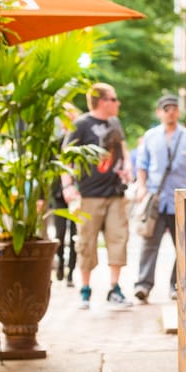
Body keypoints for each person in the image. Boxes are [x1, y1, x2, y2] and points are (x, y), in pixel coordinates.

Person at [61, 83, 133, 309]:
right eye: (114, 99)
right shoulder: (81, 124)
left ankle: (114, 288)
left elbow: (123, 148)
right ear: (102, 101)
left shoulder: (115, 123)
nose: (118, 103)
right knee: (86, 242)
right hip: (89, 193)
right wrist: (67, 186)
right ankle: (85, 289)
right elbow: (66, 157)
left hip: (115, 192)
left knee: (118, 238)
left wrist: (127, 167)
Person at [132, 94, 186, 303]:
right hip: (157, 198)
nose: (171, 112)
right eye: (167, 108)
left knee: (182, 245)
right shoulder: (151, 136)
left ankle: (176, 285)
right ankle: (143, 285)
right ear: (159, 112)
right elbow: (142, 166)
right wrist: (142, 187)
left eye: (174, 108)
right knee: (149, 244)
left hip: (181, 199)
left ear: (178, 112)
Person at [51, 105, 80, 287]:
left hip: (78, 194)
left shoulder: (81, 143)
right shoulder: (55, 143)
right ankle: (61, 264)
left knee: (76, 235)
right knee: (60, 233)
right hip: (58, 194)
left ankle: (72, 271)